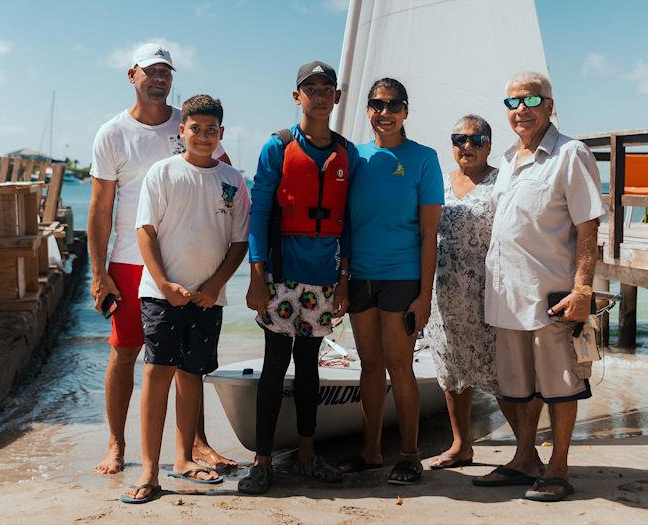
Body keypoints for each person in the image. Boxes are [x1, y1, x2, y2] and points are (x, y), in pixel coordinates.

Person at [88, 43, 235, 475]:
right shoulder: (112, 133)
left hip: (190, 263)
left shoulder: (191, 125)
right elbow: (100, 209)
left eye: (166, 73)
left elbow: (222, 183)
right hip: (132, 261)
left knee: (191, 359)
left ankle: (197, 443)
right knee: (127, 350)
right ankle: (116, 443)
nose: (159, 79)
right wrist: (99, 274)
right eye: (151, 71)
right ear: (132, 74)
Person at [473, 71, 605, 502]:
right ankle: (525, 458)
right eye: (512, 103)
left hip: (552, 295)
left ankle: (560, 466)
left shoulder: (571, 154)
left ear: (550, 105)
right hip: (506, 295)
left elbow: (589, 226)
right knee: (516, 386)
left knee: (560, 385)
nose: (520, 110)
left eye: (530, 100)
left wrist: (583, 289)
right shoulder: (509, 159)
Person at [121, 95, 249, 504]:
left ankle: (182, 458)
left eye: (212, 130)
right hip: (161, 295)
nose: (204, 136)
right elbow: (145, 232)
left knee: (192, 376)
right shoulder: (162, 173)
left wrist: (215, 286)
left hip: (208, 297)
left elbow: (239, 241)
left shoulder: (232, 179)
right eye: (196, 128)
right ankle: (147, 468)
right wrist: (163, 283)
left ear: (221, 134)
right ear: (182, 131)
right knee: (157, 374)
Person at [239, 60, 358, 494]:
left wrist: (345, 278)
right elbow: (260, 214)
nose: (320, 94)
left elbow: (349, 223)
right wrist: (256, 275)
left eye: (327, 88)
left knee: (310, 367)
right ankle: (262, 461)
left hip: (324, 277)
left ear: (337, 97)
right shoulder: (278, 147)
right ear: (297, 97)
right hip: (281, 277)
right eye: (311, 88)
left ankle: (307, 454)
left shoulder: (349, 153)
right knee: (275, 365)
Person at [338, 78, 443, 485]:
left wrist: (425, 296)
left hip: (402, 276)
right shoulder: (354, 156)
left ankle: (411, 455)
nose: (384, 112)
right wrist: (344, 278)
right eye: (377, 105)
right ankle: (370, 452)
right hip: (361, 275)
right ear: (368, 110)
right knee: (369, 366)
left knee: (400, 365)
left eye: (393, 105)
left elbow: (429, 235)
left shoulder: (423, 159)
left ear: (405, 111)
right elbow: (345, 224)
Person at [422, 115, 501, 469]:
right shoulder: (436, 184)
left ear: (489, 144)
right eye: (459, 139)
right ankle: (460, 444)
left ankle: (526, 452)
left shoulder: (503, 182)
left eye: (475, 139)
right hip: (444, 292)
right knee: (451, 371)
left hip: (490, 292)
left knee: (502, 372)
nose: (466, 146)